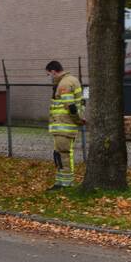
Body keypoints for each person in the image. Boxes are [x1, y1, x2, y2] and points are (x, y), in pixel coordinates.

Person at [45, 60, 84, 190]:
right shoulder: (70, 80)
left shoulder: (64, 83)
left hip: (64, 125)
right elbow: (79, 104)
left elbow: (71, 107)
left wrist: (78, 120)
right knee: (60, 154)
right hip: (64, 125)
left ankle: (66, 183)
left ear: (53, 72)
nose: (49, 78)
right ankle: (60, 182)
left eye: (48, 74)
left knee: (64, 154)